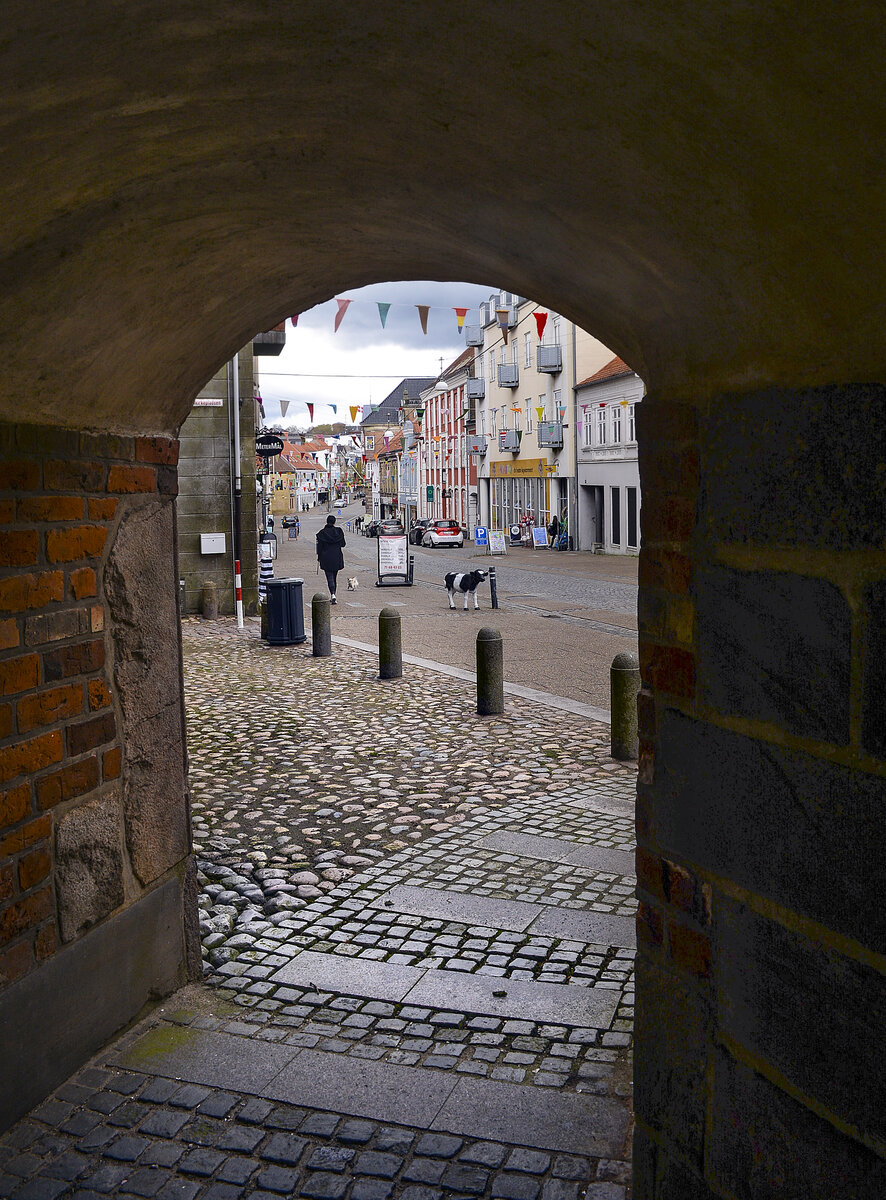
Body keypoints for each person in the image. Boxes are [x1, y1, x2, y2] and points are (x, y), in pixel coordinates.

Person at [316, 514, 346, 603]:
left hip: (326, 557)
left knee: (329, 577)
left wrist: (319, 557)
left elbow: (319, 548)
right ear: (334, 522)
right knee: (334, 577)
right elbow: (343, 544)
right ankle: (333, 594)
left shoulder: (321, 533)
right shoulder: (339, 532)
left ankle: (333, 594)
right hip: (336, 556)